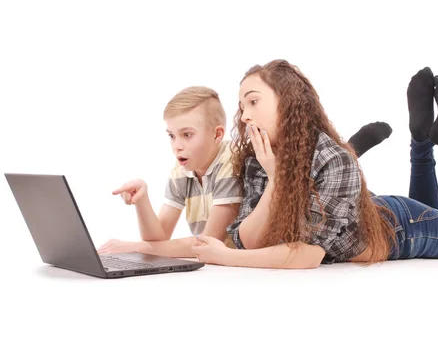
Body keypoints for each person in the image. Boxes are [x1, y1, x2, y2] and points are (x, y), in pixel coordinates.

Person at [192, 61, 438, 269]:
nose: (245, 115)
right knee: (428, 207)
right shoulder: (259, 158)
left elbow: (307, 256)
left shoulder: (331, 158)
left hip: (405, 229)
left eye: (253, 101)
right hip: (363, 213)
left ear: (287, 103)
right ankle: (420, 141)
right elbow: (250, 242)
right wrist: (273, 178)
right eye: (241, 106)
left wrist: (225, 257)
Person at [97, 86, 391, 257]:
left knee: (337, 188)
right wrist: (143, 202)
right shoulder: (181, 171)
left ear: (217, 134)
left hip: (284, 208)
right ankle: (353, 149)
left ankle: (352, 149)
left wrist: (134, 248)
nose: (177, 146)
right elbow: (160, 235)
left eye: (187, 135)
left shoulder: (228, 166)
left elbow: (207, 241)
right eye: (171, 136)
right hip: (276, 211)